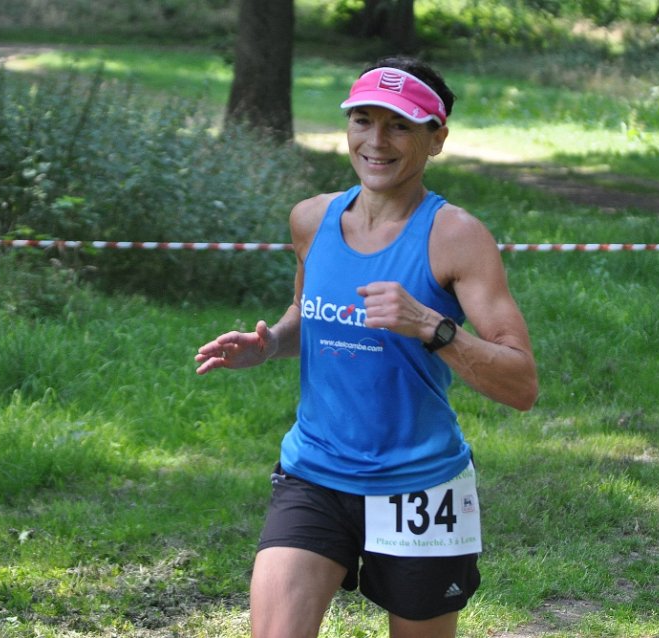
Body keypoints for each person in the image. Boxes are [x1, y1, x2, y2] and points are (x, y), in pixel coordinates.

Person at [195, 55, 538, 638]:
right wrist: (271, 345)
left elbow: (521, 384)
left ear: (437, 138)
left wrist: (431, 325)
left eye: (399, 125)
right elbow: (309, 315)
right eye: (363, 121)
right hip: (315, 472)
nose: (376, 142)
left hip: (421, 485)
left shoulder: (456, 236)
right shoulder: (311, 219)